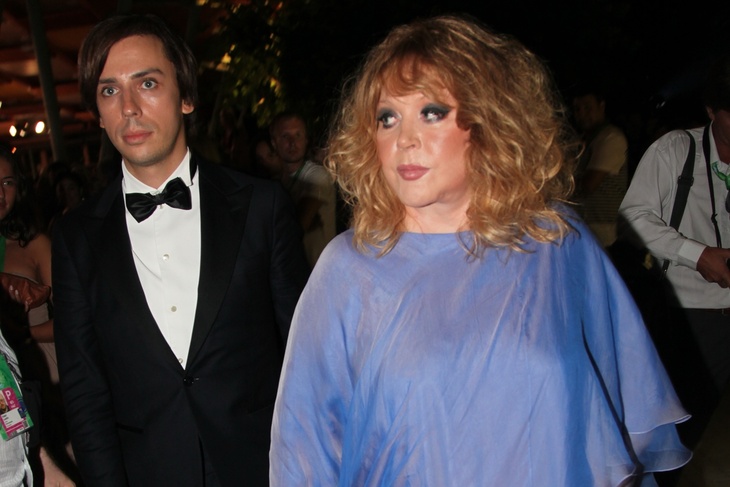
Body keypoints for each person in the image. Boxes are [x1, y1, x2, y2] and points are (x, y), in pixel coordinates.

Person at [270, 15, 690, 486]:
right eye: (387, 118)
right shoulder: (349, 270)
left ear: (489, 121)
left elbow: (617, 416)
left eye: (431, 112)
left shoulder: (556, 242)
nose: (404, 140)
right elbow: (303, 452)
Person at [52, 14, 309, 487]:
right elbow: (85, 393)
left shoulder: (261, 207)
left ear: (186, 96)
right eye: (109, 91)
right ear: (98, 112)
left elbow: (305, 355)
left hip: (262, 468)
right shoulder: (74, 238)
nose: (129, 107)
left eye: (147, 83)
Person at [619, 54, 730, 449]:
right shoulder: (676, 149)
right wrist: (697, 254)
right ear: (711, 110)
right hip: (690, 317)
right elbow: (632, 217)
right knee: (683, 431)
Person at [270, 112, 336, 266]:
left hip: (317, 271)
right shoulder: (275, 183)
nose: (293, 143)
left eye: (298, 135)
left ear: (306, 140)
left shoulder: (318, 176)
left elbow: (299, 225)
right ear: (274, 143)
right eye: (285, 136)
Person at [572, 86, 629, 247]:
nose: (582, 114)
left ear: (601, 106)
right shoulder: (585, 140)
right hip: (584, 226)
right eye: (577, 109)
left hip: (601, 230)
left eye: (587, 107)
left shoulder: (611, 138)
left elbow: (589, 185)